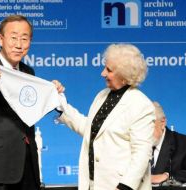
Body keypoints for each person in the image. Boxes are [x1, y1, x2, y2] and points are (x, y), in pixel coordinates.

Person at [0, 15, 64, 190]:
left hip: (28, 167)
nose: (19, 44)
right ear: (0, 39)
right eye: (14, 37)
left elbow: (30, 111)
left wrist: (53, 93)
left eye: (24, 38)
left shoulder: (28, 72)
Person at [57, 44, 155, 190]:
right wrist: (59, 103)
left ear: (124, 75)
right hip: (93, 184)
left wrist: (124, 187)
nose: (102, 73)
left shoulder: (141, 104)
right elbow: (90, 131)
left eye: (108, 70)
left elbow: (142, 153)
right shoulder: (102, 96)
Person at [151, 101, 186, 184]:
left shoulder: (185, 144)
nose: (143, 132)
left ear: (163, 122)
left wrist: (167, 176)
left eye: (148, 125)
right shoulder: (129, 144)